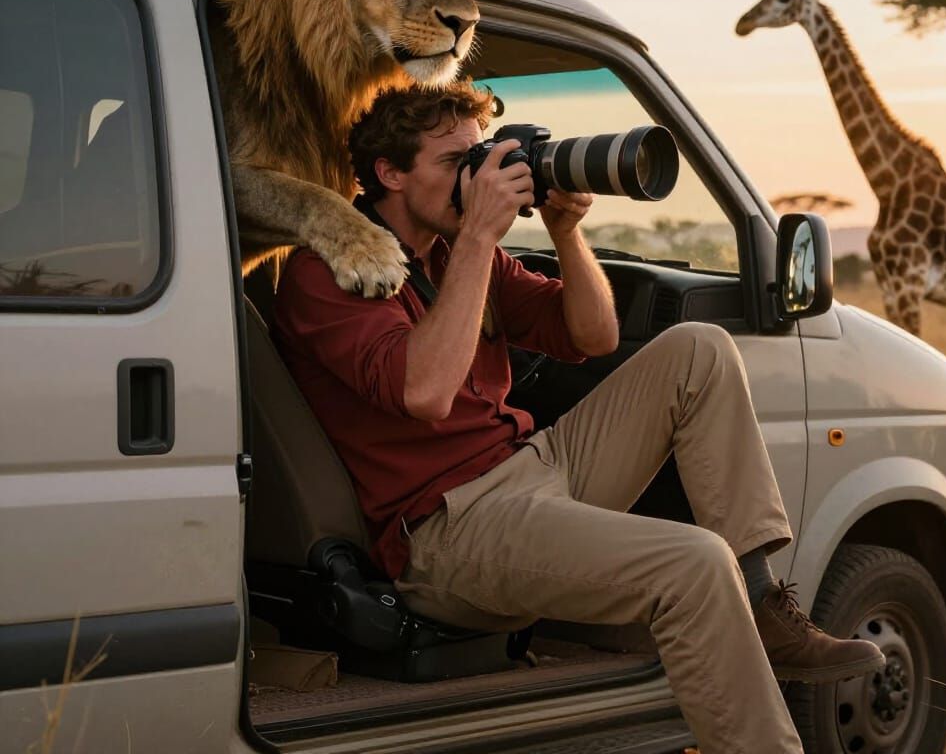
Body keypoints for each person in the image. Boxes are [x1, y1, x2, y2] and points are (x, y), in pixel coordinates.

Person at [272, 82, 884, 754]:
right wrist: (479, 233)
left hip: (534, 469)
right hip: (449, 530)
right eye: (454, 165)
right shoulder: (327, 272)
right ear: (389, 173)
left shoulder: (454, 253)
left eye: (478, 159)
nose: (473, 179)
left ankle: (764, 601)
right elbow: (426, 393)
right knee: (694, 564)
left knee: (698, 351)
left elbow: (591, 335)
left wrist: (565, 231)